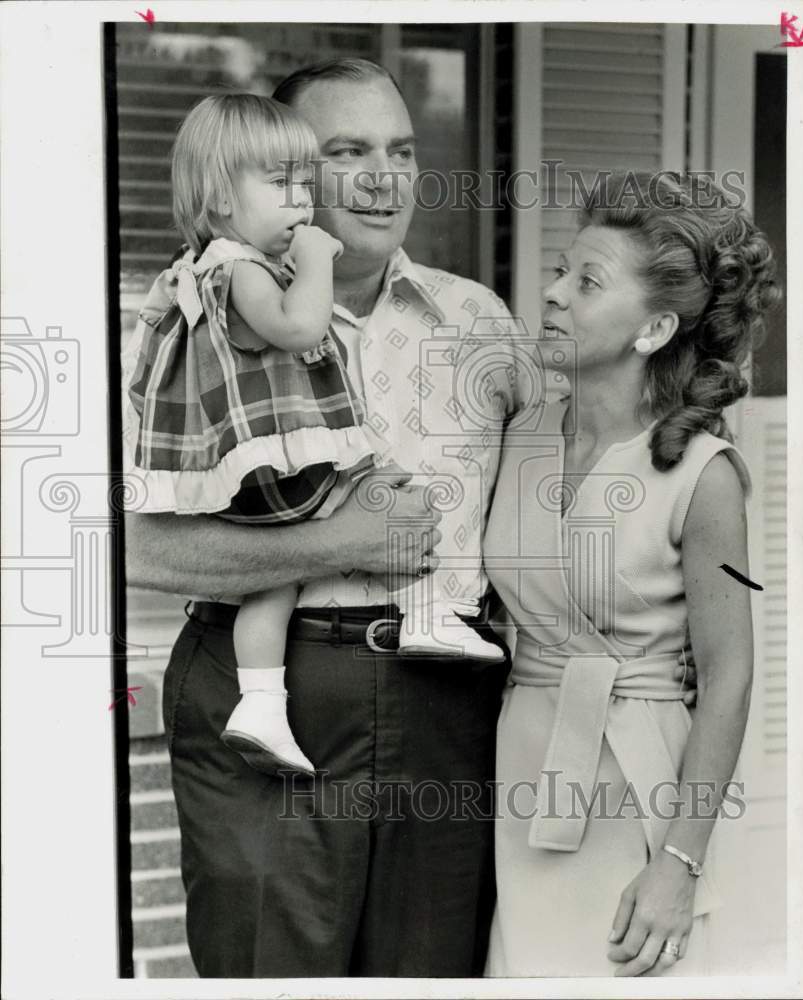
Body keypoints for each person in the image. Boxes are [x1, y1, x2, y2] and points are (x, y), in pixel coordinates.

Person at [122, 58, 520, 977]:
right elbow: (126, 543)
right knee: (273, 969)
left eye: (400, 150)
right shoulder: (193, 318)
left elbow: (548, 523)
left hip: (444, 703)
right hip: (269, 693)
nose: (384, 177)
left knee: (431, 971)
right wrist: (332, 543)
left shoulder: (478, 323)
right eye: (346, 152)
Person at [482, 171, 779, 977]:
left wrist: (677, 866)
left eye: (585, 282)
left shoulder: (704, 474)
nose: (551, 295)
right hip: (520, 770)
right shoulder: (514, 434)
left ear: (652, 327)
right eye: (558, 272)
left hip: (637, 785)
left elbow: (728, 676)